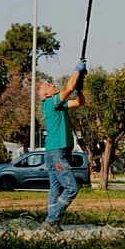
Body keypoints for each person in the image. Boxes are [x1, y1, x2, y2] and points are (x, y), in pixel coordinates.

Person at [39, 59, 88, 233]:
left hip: (57, 151)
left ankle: (52, 224)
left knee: (56, 189)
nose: (53, 85)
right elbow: (68, 88)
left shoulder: (60, 106)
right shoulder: (50, 103)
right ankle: (51, 219)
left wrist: (79, 89)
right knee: (72, 188)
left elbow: (79, 103)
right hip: (57, 152)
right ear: (47, 94)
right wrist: (77, 70)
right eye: (49, 85)